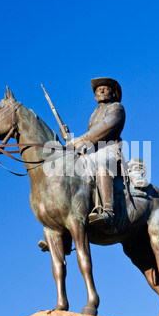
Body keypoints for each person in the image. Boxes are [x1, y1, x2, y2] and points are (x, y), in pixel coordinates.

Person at [68, 78, 125, 230]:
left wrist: (81, 139)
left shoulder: (117, 108)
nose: (101, 90)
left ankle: (108, 211)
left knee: (101, 164)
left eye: (106, 88)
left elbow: (105, 127)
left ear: (113, 93)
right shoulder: (94, 114)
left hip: (107, 149)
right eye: (98, 89)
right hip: (92, 150)